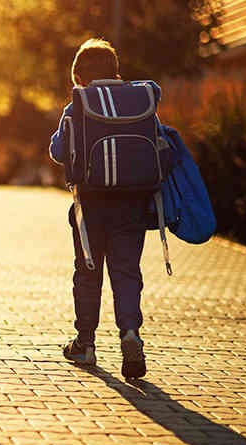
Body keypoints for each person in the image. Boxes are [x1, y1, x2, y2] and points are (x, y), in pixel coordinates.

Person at [49, 38, 161, 380]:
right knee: (127, 273)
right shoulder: (139, 101)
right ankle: (131, 334)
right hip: (133, 204)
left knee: (88, 273)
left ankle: (85, 344)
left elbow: (58, 150)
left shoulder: (79, 103)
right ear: (116, 72)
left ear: (78, 77)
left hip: (91, 206)